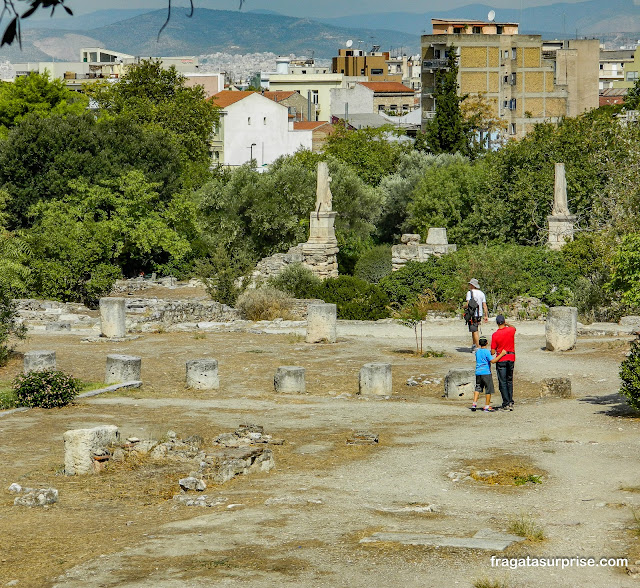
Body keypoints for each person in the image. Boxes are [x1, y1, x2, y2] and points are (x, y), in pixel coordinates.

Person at [491, 314, 516, 411]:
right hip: (511, 357)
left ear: (497, 323)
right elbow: (514, 328)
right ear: (504, 321)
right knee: (509, 380)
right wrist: (507, 323)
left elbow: (493, 351)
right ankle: (510, 401)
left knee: (503, 382)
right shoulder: (510, 330)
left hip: (501, 359)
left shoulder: (495, 335)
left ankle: (505, 402)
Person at [471, 335, 496, 412]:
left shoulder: (477, 352)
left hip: (478, 372)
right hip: (486, 372)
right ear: (487, 343)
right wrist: (501, 355)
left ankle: (474, 404)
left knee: (478, 387)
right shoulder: (486, 352)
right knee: (488, 389)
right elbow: (492, 361)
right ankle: (487, 406)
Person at [463, 278, 489, 351]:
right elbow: (484, 305)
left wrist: (464, 307)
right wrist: (486, 315)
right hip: (479, 314)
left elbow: (468, 304)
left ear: (472, 285)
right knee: (474, 329)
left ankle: (477, 347)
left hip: (472, 314)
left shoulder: (470, 293)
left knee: (474, 331)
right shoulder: (481, 293)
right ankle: (474, 345)